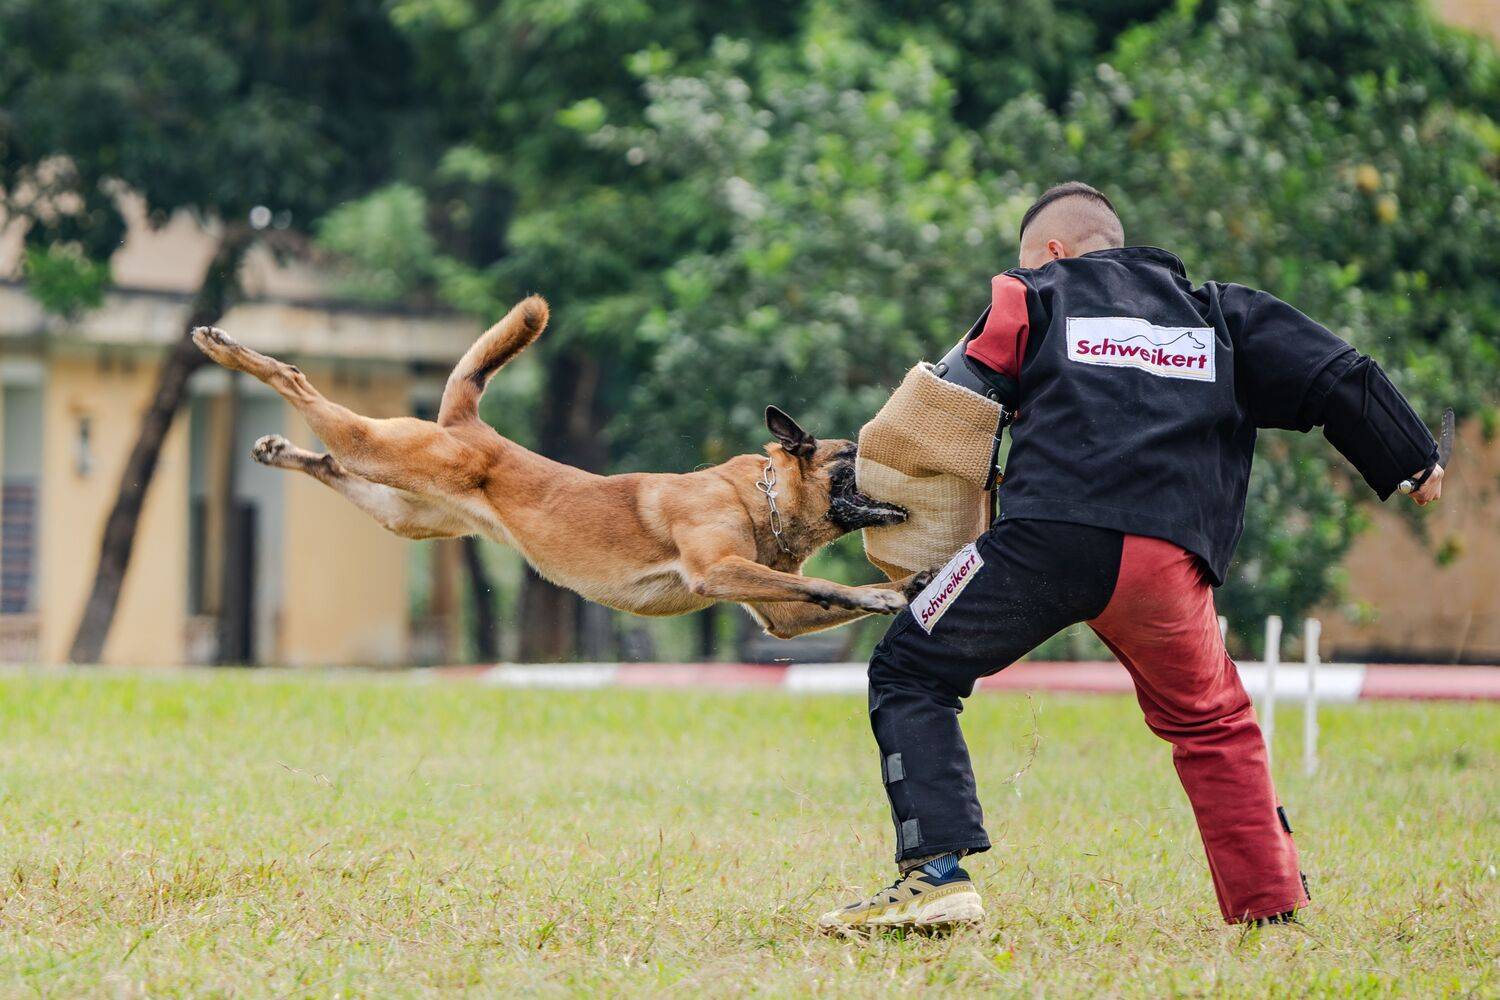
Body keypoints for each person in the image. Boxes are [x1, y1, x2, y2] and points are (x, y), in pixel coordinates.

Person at [819, 181, 1444, 931]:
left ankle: (937, 877)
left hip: (1047, 539)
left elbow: (943, 399)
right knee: (1215, 723)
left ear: (1051, 251)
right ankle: (1268, 908)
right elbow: (1336, 371)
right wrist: (1411, 458)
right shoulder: (1221, 314)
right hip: (1168, 558)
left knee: (909, 666)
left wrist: (866, 487)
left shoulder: (1031, 293)